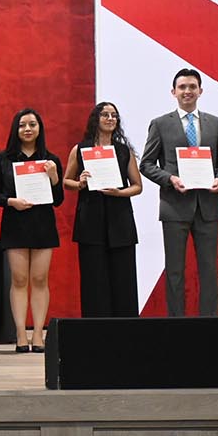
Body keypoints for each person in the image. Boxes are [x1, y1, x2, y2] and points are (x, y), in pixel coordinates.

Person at [140, 68, 218, 316]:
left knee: (209, 270)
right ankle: (177, 324)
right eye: (182, 87)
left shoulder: (215, 123)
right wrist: (169, 179)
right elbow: (146, 164)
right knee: (174, 271)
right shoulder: (160, 124)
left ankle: (209, 324)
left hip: (207, 206)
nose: (187, 91)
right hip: (174, 206)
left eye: (192, 86)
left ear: (200, 91)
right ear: (173, 92)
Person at [0, 108, 64, 353]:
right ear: (15, 129)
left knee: (40, 279)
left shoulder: (50, 160)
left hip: (43, 224)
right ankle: (21, 333)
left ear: (40, 128)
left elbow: (58, 199)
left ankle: (39, 333)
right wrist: (11, 201)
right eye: (22, 125)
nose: (27, 129)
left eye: (32, 124)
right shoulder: (3, 159)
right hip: (15, 223)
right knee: (19, 279)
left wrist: (54, 177)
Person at [63, 102, 142, 318]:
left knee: (123, 279)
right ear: (95, 119)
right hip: (90, 220)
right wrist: (79, 183)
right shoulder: (80, 149)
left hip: (120, 220)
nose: (110, 119)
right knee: (94, 279)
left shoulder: (124, 151)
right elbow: (66, 181)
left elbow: (137, 186)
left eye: (114, 115)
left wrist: (119, 192)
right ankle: (95, 328)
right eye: (105, 115)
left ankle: (125, 328)